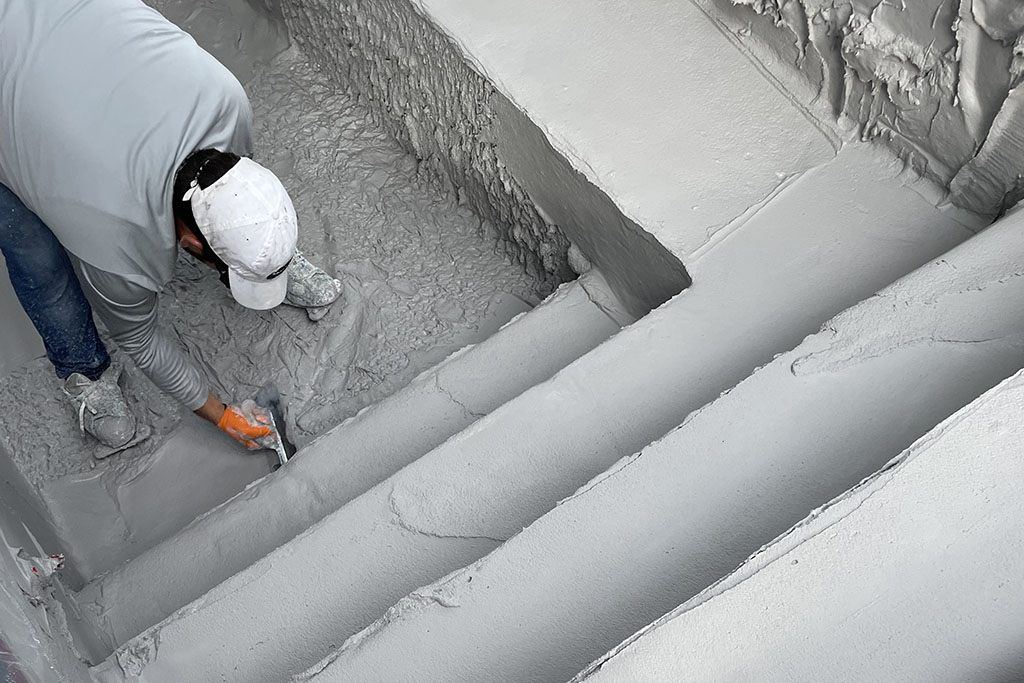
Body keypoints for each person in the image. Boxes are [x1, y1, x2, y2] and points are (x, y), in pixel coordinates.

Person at [0, 0, 342, 453]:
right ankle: (82, 368)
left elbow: (239, 191)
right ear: (187, 241)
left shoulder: (226, 101)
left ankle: (261, 259)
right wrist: (224, 418)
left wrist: (256, 242)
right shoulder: (112, 236)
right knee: (36, 255)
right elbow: (140, 339)